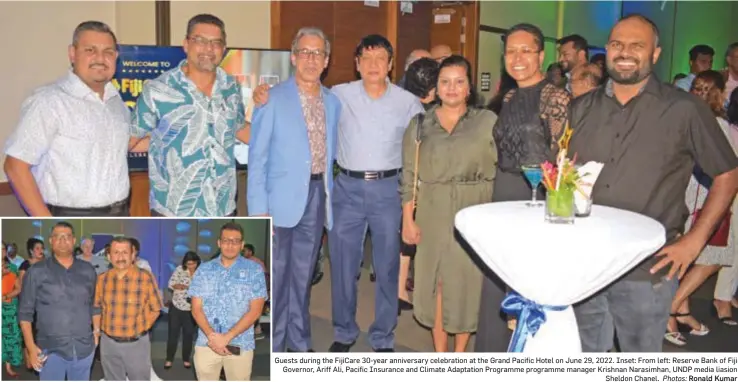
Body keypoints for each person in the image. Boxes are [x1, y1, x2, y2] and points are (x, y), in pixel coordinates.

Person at [569, 14, 738, 352]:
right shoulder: (581, 108)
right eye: (617, 44)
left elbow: (728, 173)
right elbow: (567, 173)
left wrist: (694, 241)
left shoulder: (684, 109)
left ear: (656, 54)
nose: (625, 52)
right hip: (587, 263)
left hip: (649, 268)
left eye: (637, 45)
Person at [475, 22, 571, 352]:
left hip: (535, 194)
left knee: (527, 283)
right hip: (503, 191)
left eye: (525, 51)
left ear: (541, 55)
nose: (517, 58)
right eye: (511, 51)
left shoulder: (555, 97)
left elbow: (562, 156)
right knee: (496, 279)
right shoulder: (510, 96)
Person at [249, 27, 339, 353]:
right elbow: (256, 158)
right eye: (305, 51)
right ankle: (275, 346)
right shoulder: (271, 98)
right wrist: (259, 210)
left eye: (318, 53)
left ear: (326, 61)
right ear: (293, 57)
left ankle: (299, 344)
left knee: (303, 277)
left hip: (316, 197)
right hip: (278, 201)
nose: (311, 59)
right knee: (278, 277)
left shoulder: (333, 102)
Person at [401, 55, 497, 352]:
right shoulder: (420, 124)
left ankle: (460, 354)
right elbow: (408, 175)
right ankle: (442, 355)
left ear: (469, 87)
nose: (452, 88)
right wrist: (408, 220)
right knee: (437, 285)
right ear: (436, 87)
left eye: (459, 81)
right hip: (433, 210)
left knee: (467, 285)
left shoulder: (488, 122)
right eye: (445, 82)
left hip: (474, 209)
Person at [3, 21, 140, 217]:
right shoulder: (49, 101)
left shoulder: (114, 100)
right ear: (72, 54)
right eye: (90, 50)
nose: (100, 58)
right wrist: (47, 224)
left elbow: (126, 143)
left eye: (108, 52)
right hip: (67, 216)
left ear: (116, 57)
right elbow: (15, 167)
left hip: (120, 212)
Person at [132, 14, 248, 217]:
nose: (208, 49)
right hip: (173, 210)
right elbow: (132, 139)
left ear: (224, 49)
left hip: (223, 207)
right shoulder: (158, 89)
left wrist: (282, 146)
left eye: (215, 42)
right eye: (200, 40)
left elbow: (238, 128)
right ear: (186, 44)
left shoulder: (231, 87)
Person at [664, 70, 737, 346]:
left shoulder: (686, 118)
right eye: (699, 88)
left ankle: (679, 310)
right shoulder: (714, 123)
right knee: (713, 257)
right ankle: (671, 308)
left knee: (686, 258)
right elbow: (726, 170)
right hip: (704, 200)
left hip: (687, 198)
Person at [18, 222, 99, 381]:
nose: (63, 241)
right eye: (58, 237)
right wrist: (30, 347)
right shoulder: (36, 271)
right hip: (50, 349)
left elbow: (95, 305)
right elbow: (24, 313)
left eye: (67, 236)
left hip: (83, 348)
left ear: (74, 240)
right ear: (51, 241)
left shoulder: (88, 270)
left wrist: (96, 332)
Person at [189, 222, 267, 380]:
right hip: (207, 343)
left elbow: (256, 311)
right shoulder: (204, 270)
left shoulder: (254, 270)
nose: (230, 245)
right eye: (226, 240)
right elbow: (196, 309)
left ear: (242, 244)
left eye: (235, 241)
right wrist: (213, 336)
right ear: (219, 243)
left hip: (240, 344)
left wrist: (226, 337)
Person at [94, 236, 162, 381]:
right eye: (116, 252)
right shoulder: (102, 279)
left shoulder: (145, 278)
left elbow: (156, 308)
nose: (120, 257)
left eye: (125, 252)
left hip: (136, 344)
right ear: (109, 256)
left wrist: (141, 328)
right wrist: (98, 331)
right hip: (108, 343)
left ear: (133, 255)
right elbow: (96, 307)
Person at [165, 251, 200, 369]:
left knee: (188, 335)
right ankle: (169, 359)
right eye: (188, 264)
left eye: (193, 264)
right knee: (173, 334)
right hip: (176, 306)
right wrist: (178, 286)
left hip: (192, 309)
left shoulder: (201, 272)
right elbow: (170, 284)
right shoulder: (180, 269)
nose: (190, 266)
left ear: (197, 262)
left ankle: (186, 359)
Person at [3, 250, 22, 377]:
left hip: (8, 308)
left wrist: (6, 296)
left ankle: (8, 366)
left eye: (3, 249)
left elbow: (18, 288)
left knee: (9, 338)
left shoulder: (13, 268)